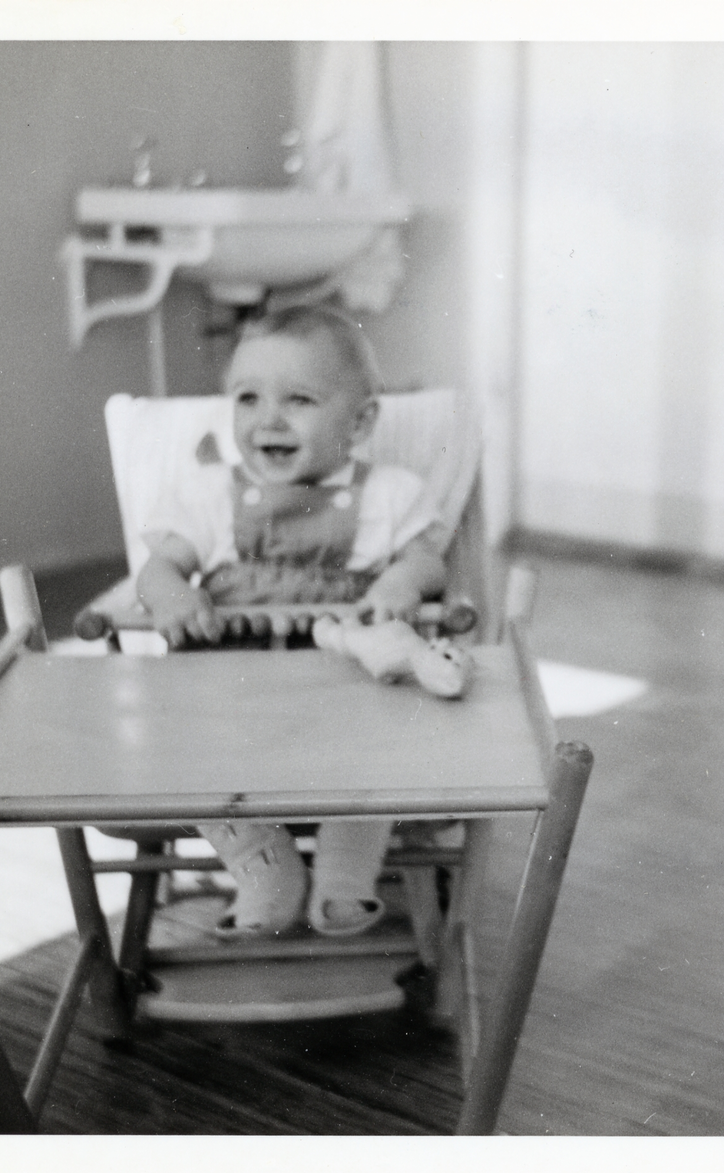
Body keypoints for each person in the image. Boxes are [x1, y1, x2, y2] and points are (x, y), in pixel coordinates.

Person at [135, 304, 447, 938]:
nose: (268, 419)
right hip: (230, 697)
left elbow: (426, 561)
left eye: (299, 399)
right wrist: (172, 598)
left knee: (382, 751)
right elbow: (160, 567)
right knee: (187, 754)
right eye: (247, 398)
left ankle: (346, 873)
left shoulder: (388, 492)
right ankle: (263, 867)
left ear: (360, 422)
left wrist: (400, 583)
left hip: (344, 695)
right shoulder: (206, 494)